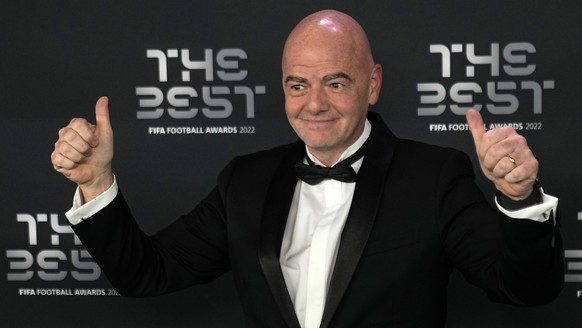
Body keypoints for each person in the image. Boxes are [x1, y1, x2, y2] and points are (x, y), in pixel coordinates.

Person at [51, 9, 563, 328]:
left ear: (373, 83)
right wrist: (96, 182)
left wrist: (519, 198)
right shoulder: (244, 181)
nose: (313, 104)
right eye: (298, 85)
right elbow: (146, 274)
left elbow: (526, 290)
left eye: (335, 83)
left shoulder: (434, 176)